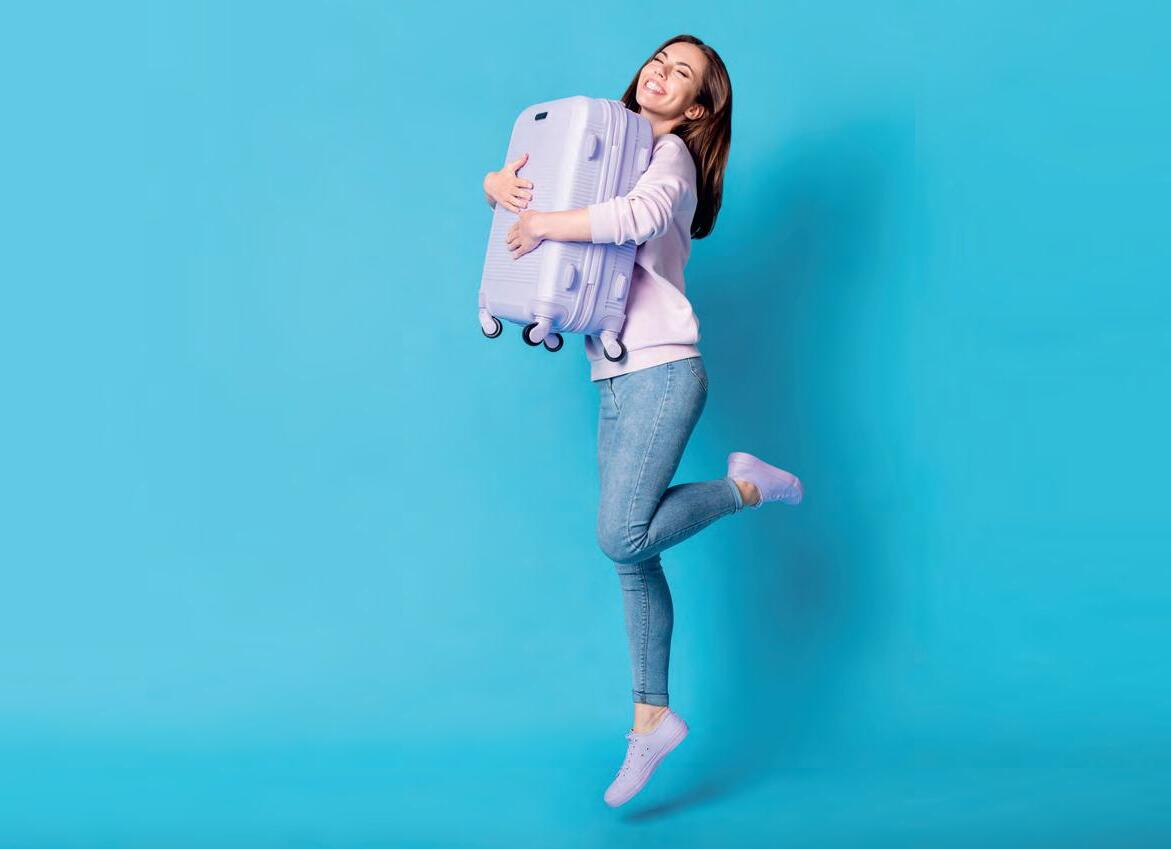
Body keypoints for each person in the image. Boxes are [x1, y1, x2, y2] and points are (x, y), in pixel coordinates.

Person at [482, 34, 804, 808]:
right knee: (635, 557)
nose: (660, 72)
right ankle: (650, 719)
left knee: (621, 534)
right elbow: (534, 200)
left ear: (694, 109)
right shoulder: (606, 150)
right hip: (614, 375)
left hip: (662, 370)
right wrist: (495, 187)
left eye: (682, 73)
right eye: (659, 59)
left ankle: (745, 487)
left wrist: (546, 222)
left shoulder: (670, 158)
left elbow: (639, 217)